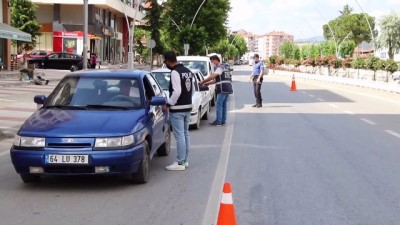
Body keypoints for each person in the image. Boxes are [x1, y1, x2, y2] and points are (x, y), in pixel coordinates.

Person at [162, 51, 193, 171]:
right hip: (187, 107)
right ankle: (185, 160)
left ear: (169, 61)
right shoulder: (188, 71)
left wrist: (168, 104)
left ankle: (180, 162)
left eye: (165, 62)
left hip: (178, 108)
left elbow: (177, 91)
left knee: (179, 135)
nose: (166, 64)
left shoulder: (175, 72)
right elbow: (192, 89)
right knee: (185, 134)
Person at [199, 54, 233, 126]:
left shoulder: (220, 67)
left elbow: (213, 76)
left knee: (218, 104)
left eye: (212, 61)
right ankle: (223, 121)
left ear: (216, 60)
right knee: (223, 105)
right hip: (227, 88)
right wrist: (207, 83)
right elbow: (216, 80)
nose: (212, 63)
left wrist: (203, 81)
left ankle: (218, 121)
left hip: (222, 88)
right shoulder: (225, 67)